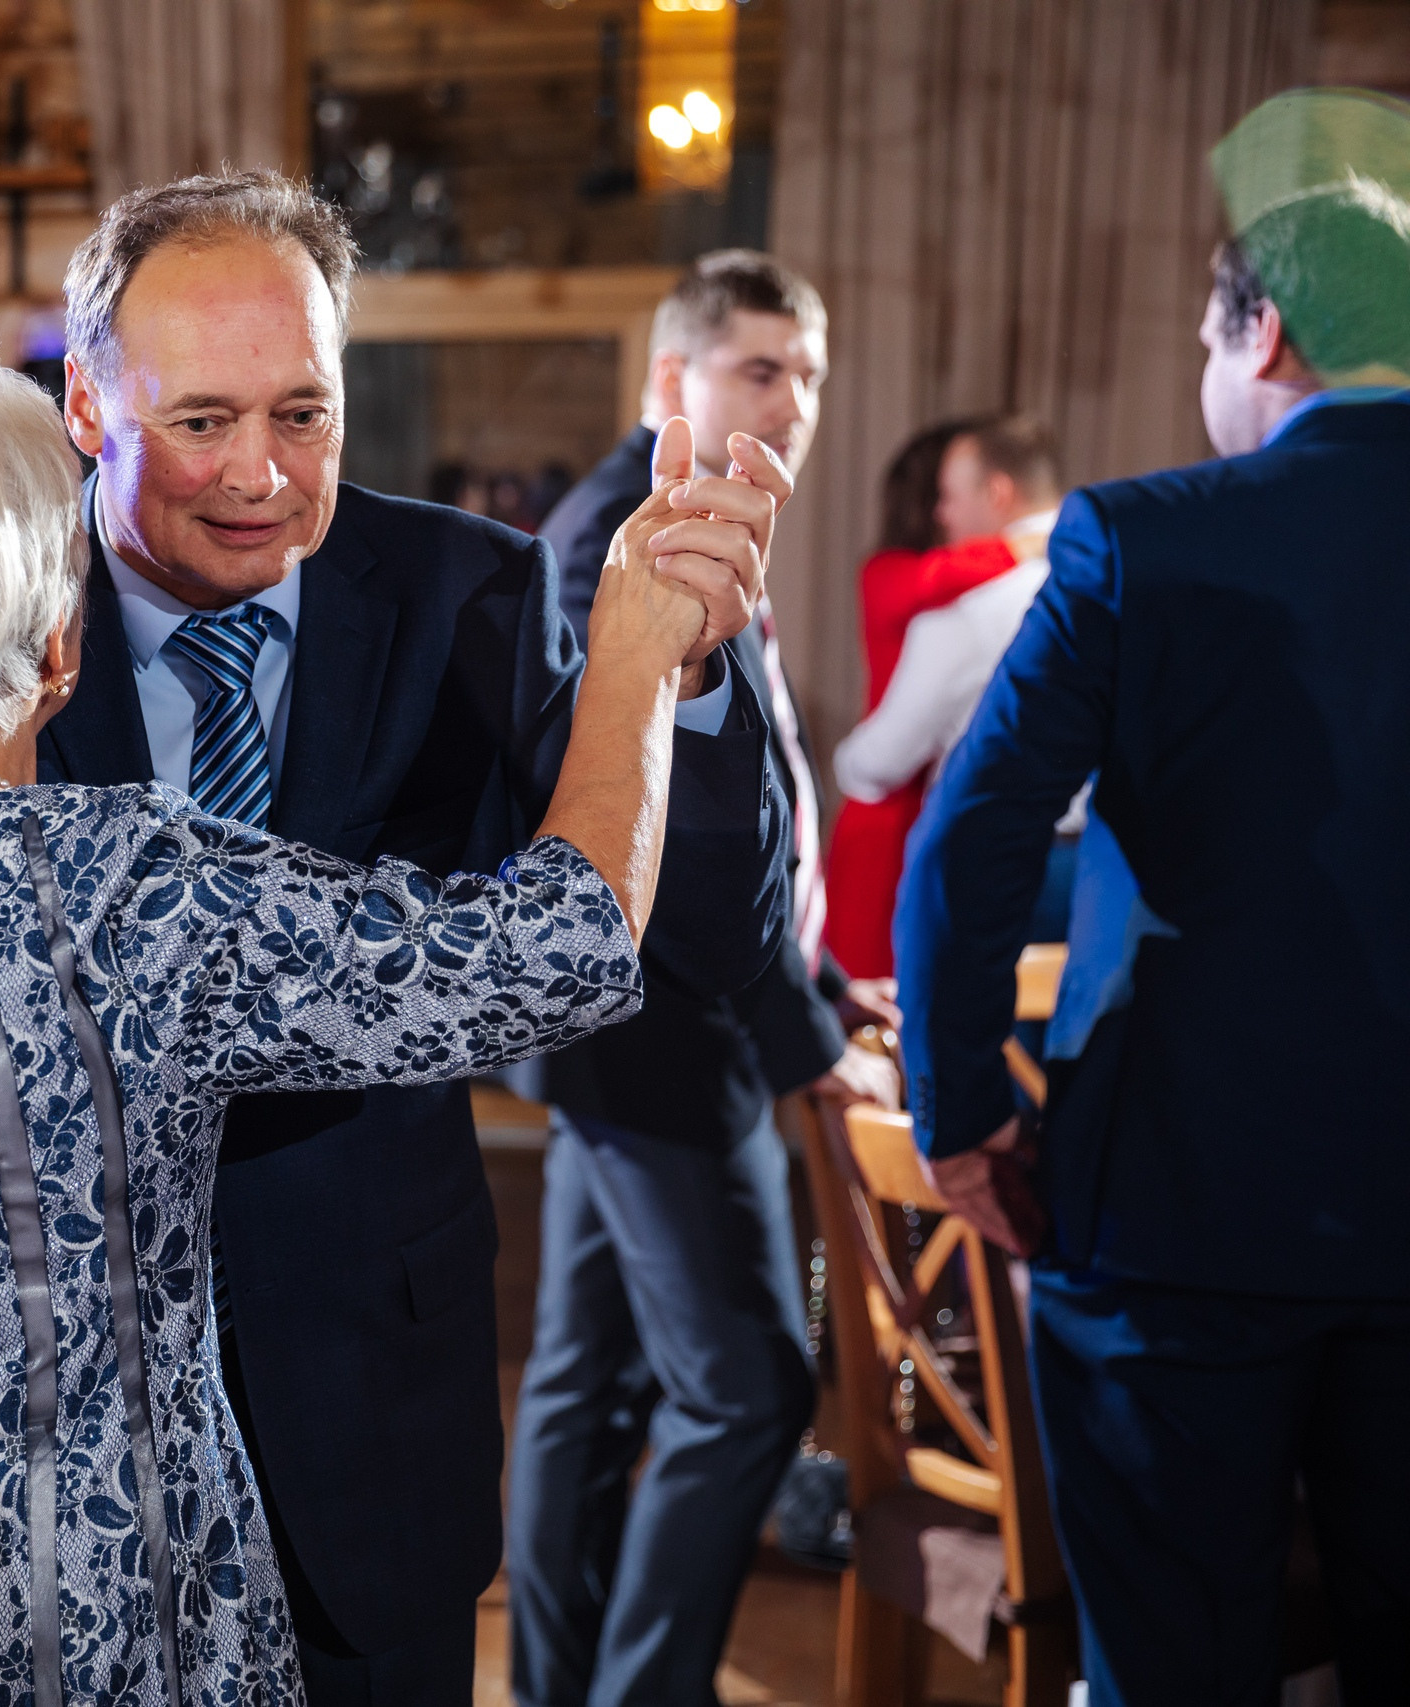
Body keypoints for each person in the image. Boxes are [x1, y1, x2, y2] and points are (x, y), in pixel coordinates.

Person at [0, 171, 794, 1703]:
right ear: (87, 403)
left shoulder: (467, 590)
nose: (263, 477)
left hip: (361, 1431)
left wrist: (683, 676)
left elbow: (696, 936)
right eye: (204, 421)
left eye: (305, 413)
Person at [896, 178, 1410, 1704]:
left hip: (1179, 1206)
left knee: (1170, 1664)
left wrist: (964, 1111)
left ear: (1261, 331)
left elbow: (971, 840)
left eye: (1207, 336)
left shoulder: (1147, 538)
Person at [509, 249, 897, 1707]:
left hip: (646, 1036)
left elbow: (752, 790)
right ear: (673, 378)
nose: (791, 400)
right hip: (674, 1033)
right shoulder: (625, 529)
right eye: (757, 368)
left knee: (584, 1386)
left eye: (805, 372)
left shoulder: (689, 510)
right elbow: (669, 843)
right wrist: (799, 1033)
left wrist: (827, 973)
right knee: (748, 1392)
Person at [819, 421, 1016, 979]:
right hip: (886, 807)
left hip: (930, 799)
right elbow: (953, 573)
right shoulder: (888, 575)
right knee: (874, 993)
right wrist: (1034, 539)